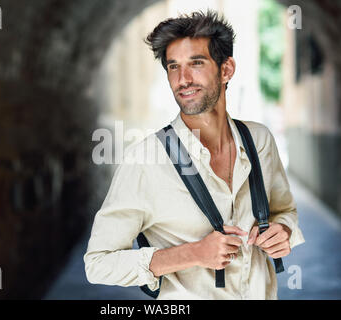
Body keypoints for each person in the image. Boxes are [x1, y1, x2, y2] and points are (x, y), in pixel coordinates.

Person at [84, 10, 304, 300]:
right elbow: (97, 263)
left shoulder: (260, 140)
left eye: (196, 63)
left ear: (226, 70)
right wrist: (193, 253)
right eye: (173, 67)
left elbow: (284, 211)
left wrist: (283, 231)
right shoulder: (146, 159)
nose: (183, 79)